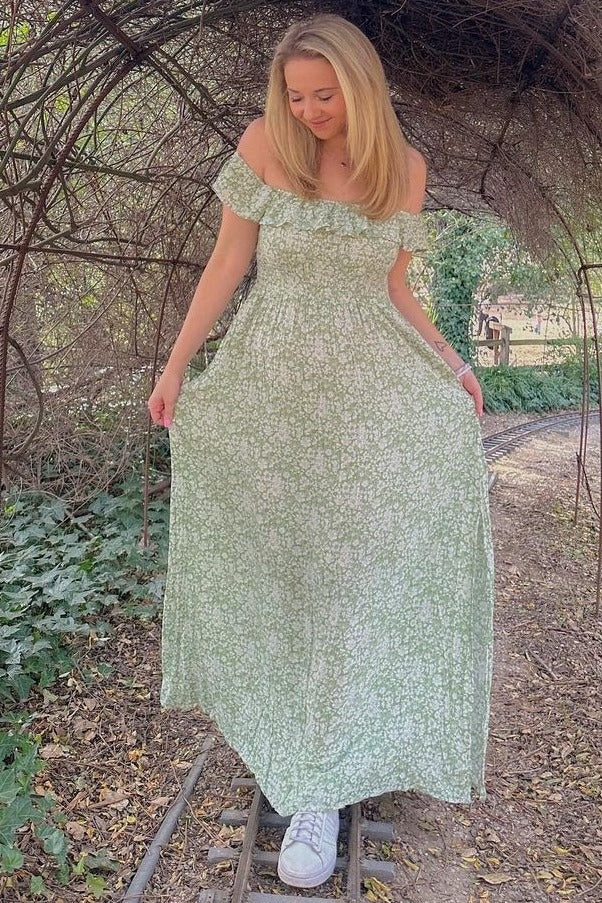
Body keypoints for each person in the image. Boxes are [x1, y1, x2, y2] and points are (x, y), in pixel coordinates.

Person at [148, 13, 495, 890]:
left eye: (324, 95)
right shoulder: (266, 146)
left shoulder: (404, 170)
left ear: (362, 87)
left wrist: (452, 364)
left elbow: (394, 289)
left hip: (367, 409)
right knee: (287, 572)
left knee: (352, 577)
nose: (308, 111)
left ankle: (321, 786)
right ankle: (294, 747)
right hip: (274, 400)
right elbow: (228, 262)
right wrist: (179, 363)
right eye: (295, 96)